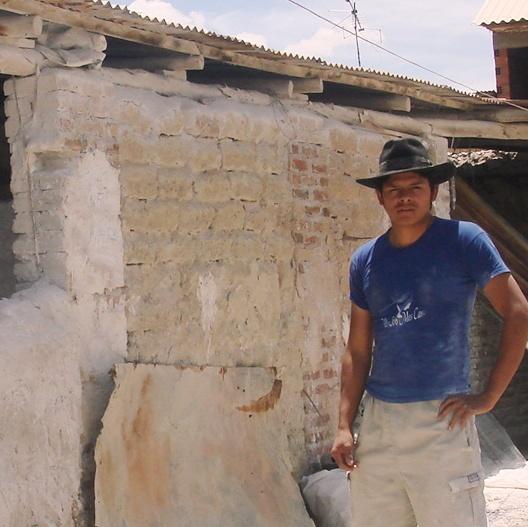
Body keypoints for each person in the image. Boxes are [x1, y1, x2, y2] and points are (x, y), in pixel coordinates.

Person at [330, 138, 528, 527]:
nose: (404, 197)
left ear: (433, 192)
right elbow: (357, 350)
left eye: (415, 187)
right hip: (380, 423)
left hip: (441, 418)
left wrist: (489, 397)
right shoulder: (366, 260)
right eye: (394, 190)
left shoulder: (464, 240)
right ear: (380, 198)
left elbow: (518, 312)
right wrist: (344, 425)